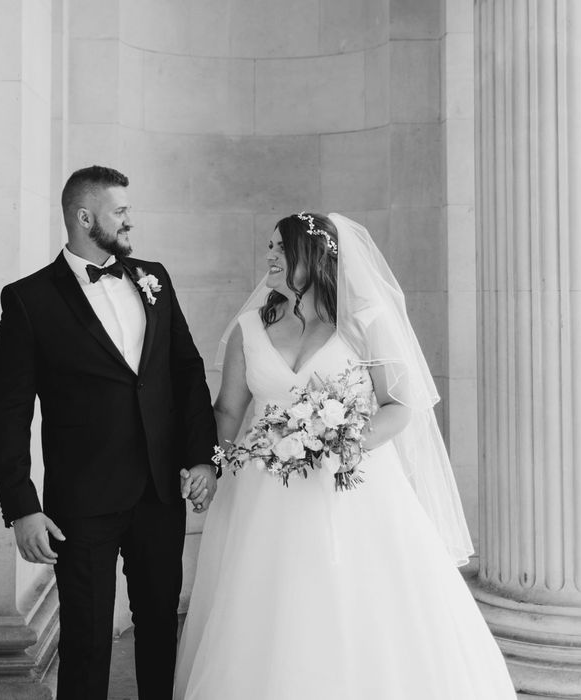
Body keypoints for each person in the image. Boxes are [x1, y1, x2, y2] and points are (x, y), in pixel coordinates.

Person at [174, 212, 517, 699]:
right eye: (269, 247)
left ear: (311, 257)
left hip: (353, 488)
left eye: (280, 248)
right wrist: (211, 465)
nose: (268, 256)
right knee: (269, 609)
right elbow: (229, 410)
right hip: (265, 497)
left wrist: (346, 443)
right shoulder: (249, 329)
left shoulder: (364, 322)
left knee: (358, 604)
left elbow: (400, 407)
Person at [0, 165, 218, 700]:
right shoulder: (28, 299)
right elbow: (8, 410)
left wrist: (202, 457)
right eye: (120, 211)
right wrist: (22, 506)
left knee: (160, 627)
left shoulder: (153, 277)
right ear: (84, 217)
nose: (129, 220)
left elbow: (187, 370)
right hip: (81, 502)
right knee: (87, 643)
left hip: (161, 492)